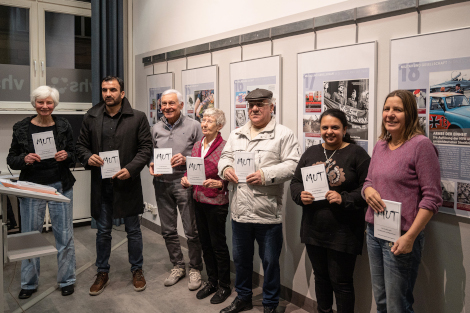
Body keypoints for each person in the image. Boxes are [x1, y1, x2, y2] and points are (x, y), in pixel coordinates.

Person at [218, 88, 301, 313]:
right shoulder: (237, 134)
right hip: (239, 210)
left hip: (267, 213)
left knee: (270, 263)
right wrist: (225, 169)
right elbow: (225, 157)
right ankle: (243, 297)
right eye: (251, 105)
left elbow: (293, 165)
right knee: (242, 261)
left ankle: (271, 303)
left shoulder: (284, 134)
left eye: (260, 104)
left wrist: (265, 175)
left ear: (271, 107)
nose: (254, 109)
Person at [363, 90, 442, 312]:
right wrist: (367, 191)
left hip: (401, 236)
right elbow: (368, 181)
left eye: (397, 109)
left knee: (398, 305)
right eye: (387, 109)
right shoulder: (381, 145)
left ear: (410, 114)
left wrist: (410, 237)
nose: (390, 114)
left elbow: (432, 198)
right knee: (381, 301)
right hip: (374, 231)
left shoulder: (421, 146)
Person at [76, 76, 153, 295]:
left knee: (134, 231)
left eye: (113, 90)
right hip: (102, 186)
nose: (108, 94)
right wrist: (88, 157)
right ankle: (102, 271)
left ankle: (137, 270)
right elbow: (80, 146)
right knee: (103, 232)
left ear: (122, 93)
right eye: (104, 90)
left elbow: (146, 148)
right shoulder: (91, 116)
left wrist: (131, 168)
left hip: (127, 184)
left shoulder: (137, 117)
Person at [290, 109, 370, 313]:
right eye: (325, 127)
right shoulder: (311, 152)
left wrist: (344, 198)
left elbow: (368, 188)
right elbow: (296, 182)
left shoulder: (357, 154)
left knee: (341, 283)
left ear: (344, 129)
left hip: (344, 232)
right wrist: (301, 195)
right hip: (314, 230)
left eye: (335, 127)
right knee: (321, 278)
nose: (329, 131)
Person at [7, 86, 76, 298]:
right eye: (40, 102)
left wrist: (67, 156)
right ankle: (28, 284)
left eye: (49, 102)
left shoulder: (64, 125)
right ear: (34, 104)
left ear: (54, 104)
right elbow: (11, 159)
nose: (45, 106)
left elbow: (75, 154)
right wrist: (24, 159)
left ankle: (67, 280)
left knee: (64, 236)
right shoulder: (21, 127)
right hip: (32, 188)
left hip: (59, 186)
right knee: (30, 236)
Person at [149, 89, 204, 290]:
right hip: (162, 183)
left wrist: (187, 159)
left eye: (171, 103)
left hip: (185, 182)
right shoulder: (155, 128)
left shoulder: (194, 126)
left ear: (181, 105)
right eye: (164, 104)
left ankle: (196, 268)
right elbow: (151, 153)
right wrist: (151, 164)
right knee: (168, 230)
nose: (167, 107)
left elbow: (202, 157)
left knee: (191, 230)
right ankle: (178, 266)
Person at [180, 108, 231, 304]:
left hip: (216, 202)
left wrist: (222, 183)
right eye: (203, 120)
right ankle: (211, 281)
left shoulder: (225, 147)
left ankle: (224, 285)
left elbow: (229, 173)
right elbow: (192, 169)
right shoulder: (196, 145)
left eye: (209, 121)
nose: (204, 124)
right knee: (205, 243)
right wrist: (186, 179)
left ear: (219, 126)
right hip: (198, 199)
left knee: (218, 245)